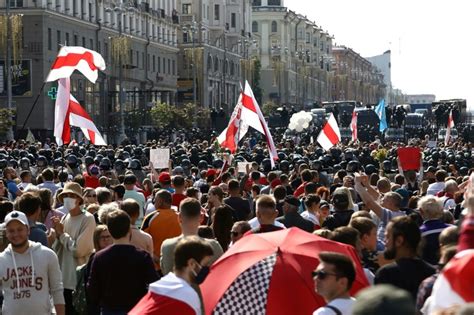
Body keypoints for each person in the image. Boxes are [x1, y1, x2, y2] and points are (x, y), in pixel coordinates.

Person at [87, 210, 158, 314]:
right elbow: (154, 283)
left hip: (109, 309)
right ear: (129, 230)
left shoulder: (99, 257)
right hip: (137, 309)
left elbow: (92, 289)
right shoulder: (142, 256)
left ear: (110, 231)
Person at [0, 210, 65, 315]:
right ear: (6, 233)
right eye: (11, 231)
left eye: (20, 229)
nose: (16, 234)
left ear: (28, 230)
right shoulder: (2, 260)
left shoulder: (47, 255)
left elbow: (57, 290)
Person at [129, 236, 214, 315]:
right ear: (192, 263)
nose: (207, 269)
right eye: (205, 264)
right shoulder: (188, 295)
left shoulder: (161, 285)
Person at [52, 182, 96, 315]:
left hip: (77, 283)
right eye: (65, 195)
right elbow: (58, 250)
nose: (68, 198)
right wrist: (54, 236)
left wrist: (61, 234)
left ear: (79, 199)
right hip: (62, 282)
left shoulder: (87, 219)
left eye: (72, 195)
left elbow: (79, 250)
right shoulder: (65, 218)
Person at [374, 216, 436, 301]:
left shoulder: (386, 274)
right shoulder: (432, 273)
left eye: (387, 237)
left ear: (399, 241)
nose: (385, 242)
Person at [160, 198, 223, 275]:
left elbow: (165, 273)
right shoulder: (214, 246)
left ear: (179, 217)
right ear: (201, 217)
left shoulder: (167, 246)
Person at [354, 174, 405, 249]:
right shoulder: (397, 213)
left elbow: (369, 203)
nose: (380, 201)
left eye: (383, 200)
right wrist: (367, 185)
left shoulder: (391, 216)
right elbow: (377, 196)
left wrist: (358, 185)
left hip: (384, 250)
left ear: (390, 204)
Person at [141, 189, 181, 272]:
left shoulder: (150, 218)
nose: (154, 202)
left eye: (155, 200)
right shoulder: (181, 218)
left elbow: (142, 240)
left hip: (156, 266)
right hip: (176, 266)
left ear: (160, 202)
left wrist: (153, 256)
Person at [418, 195, 452, 265]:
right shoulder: (452, 229)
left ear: (421, 211)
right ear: (441, 210)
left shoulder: (418, 233)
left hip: (427, 272)